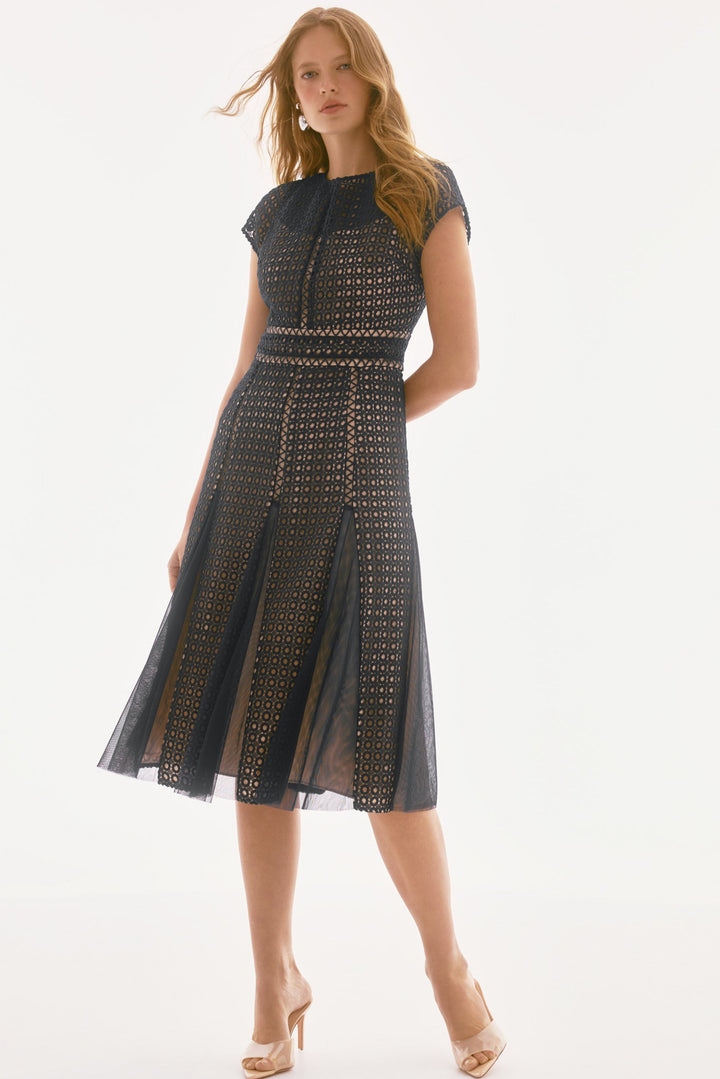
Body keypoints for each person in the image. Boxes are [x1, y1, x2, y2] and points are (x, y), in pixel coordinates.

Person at [96, 6, 506, 1078]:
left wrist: (355, 421)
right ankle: (271, 978)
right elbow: (247, 367)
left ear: (373, 78)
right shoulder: (276, 212)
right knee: (253, 740)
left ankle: (447, 966)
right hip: (249, 486)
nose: (322, 88)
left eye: (338, 69)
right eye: (305, 75)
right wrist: (195, 510)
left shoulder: (425, 192)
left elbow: (459, 363)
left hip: (360, 493)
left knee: (384, 742)